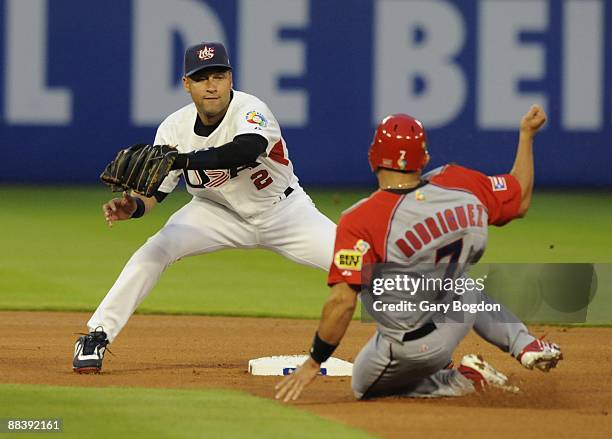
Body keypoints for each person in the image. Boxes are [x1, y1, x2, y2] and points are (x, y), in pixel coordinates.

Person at [72, 42, 336, 373]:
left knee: (360, 263)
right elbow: (158, 191)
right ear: (187, 84)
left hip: (284, 212)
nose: (211, 85)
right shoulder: (173, 128)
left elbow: (243, 150)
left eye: (218, 76)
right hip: (214, 213)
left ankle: (406, 342)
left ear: (230, 79)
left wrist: (180, 160)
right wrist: (135, 206)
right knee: (154, 250)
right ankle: (96, 335)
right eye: (201, 78)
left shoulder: (251, 110)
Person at [275, 105, 562, 402]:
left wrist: (314, 361)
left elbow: (342, 302)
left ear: (373, 156)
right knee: (461, 282)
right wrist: (527, 136)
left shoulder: (362, 219)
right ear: (423, 158)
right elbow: (520, 199)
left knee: (362, 384)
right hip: (460, 310)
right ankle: (524, 343)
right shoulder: (461, 183)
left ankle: (458, 380)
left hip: (416, 346)